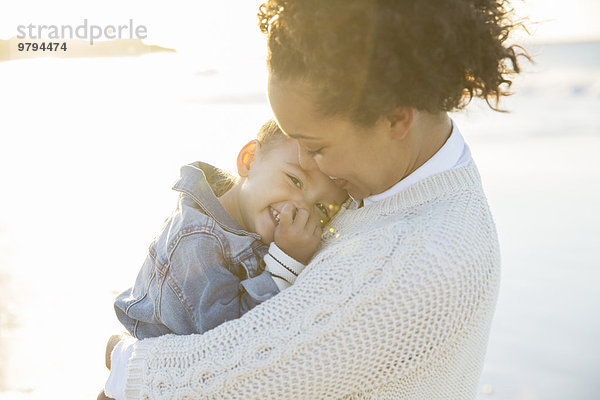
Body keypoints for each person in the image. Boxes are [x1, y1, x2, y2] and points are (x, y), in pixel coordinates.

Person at [103, 1, 528, 399]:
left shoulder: (411, 261)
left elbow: (237, 377)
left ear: (396, 118)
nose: (309, 165)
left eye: (317, 146)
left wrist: (124, 362)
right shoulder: (409, 179)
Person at [113, 120, 348, 339]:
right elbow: (228, 343)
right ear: (249, 159)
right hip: (156, 373)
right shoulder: (197, 241)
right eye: (295, 180)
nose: (302, 209)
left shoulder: (248, 226)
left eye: (321, 208)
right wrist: (286, 261)